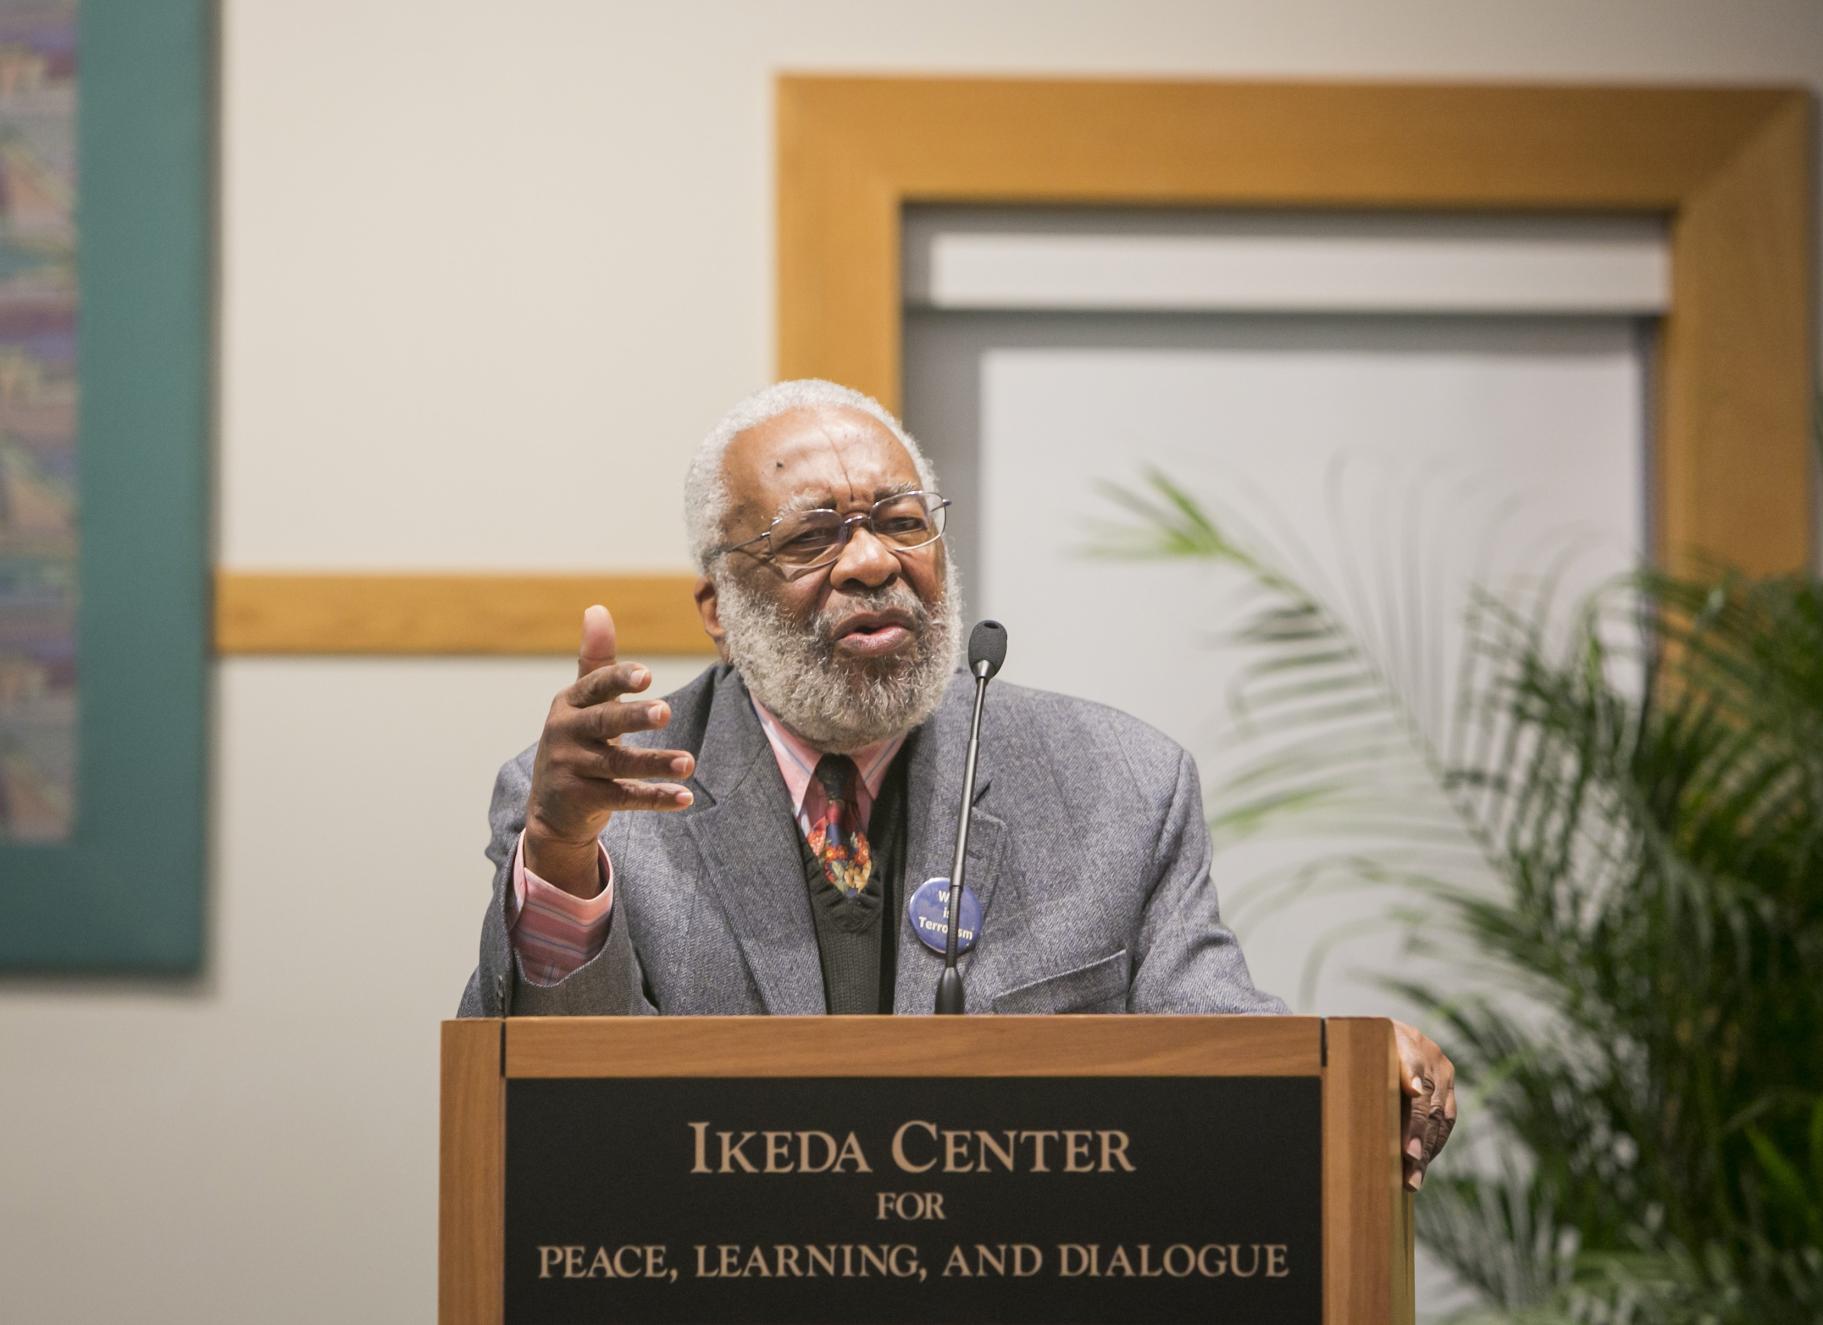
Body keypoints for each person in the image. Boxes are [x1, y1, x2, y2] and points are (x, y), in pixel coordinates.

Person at [459, 378, 1457, 1189]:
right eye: (811, 537)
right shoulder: (599, 803)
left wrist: (1352, 1062)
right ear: (716, 607)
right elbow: (554, 1118)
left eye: (901, 521)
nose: (868, 562)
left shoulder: (1119, 785)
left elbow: (1218, 1047)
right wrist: (557, 852)